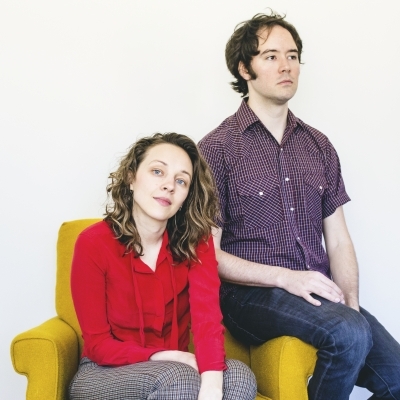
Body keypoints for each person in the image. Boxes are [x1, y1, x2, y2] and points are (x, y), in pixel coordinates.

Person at [198, 11, 400, 400]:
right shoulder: (217, 148)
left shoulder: (319, 145)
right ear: (244, 68)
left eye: (292, 56)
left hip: (318, 291)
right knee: (348, 333)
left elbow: (338, 240)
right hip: (249, 294)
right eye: (271, 56)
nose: (286, 65)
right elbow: (208, 253)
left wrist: (352, 305)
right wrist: (284, 277)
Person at [68, 133, 257, 400]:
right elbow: (99, 345)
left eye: (181, 181)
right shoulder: (92, 243)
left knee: (238, 376)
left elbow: (207, 323)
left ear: (186, 197)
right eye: (158, 172)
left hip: (176, 370)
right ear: (132, 177)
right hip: (102, 372)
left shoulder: (196, 243)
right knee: (177, 377)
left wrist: (212, 383)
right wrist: (167, 356)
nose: (169, 185)